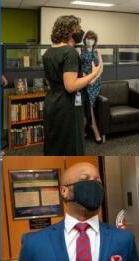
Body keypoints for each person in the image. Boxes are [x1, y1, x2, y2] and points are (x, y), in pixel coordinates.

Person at [12, 162, 139, 261]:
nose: (94, 185)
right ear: (64, 191)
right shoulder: (34, 244)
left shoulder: (123, 241)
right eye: (85, 179)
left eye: (98, 181)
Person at [42, 15, 103, 156]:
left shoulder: (49, 52)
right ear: (69, 31)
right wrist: (93, 74)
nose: (80, 32)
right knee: (70, 145)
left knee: (55, 143)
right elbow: (70, 85)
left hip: (52, 102)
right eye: (77, 28)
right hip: (66, 105)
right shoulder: (69, 52)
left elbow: (49, 80)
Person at [80, 31, 103, 143]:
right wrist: (87, 79)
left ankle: (82, 131)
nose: (90, 40)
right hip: (84, 82)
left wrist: (94, 78)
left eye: (92, 39)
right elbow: (79, 67)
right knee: (88, 106)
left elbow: (100, 67)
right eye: (88, 38)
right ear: (85, 39)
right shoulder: (80, 50)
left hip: (95, 83)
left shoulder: (97, 51)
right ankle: (95, 132)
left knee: (88, 107)